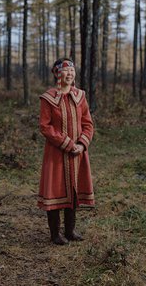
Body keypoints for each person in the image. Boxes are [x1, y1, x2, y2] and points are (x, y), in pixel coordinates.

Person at [38, 58, 95, 245]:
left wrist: (82, 144)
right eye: (65, 71)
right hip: (56, 154)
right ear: (56, 74)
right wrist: (68, 144)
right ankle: (55, 234)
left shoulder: (80, 96)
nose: (70, 74)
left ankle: (70, 230)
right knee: (55, 191)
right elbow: (45, 127)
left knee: (74, 190)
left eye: (72, 70)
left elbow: (88, 123)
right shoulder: (48, 98)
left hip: (78, 154)